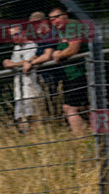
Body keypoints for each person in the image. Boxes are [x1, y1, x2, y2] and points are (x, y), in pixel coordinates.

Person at [48, 6, 89, 135]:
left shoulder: (72, 26)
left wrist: (59, 55)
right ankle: (95, 134)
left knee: (69, 108)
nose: (55, 21)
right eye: (52, 20)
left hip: (83, 72)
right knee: (87, 106)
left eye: (57, 17)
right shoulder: (62, 32)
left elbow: (73, 48)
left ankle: (81, 139)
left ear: (66, 15)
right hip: (73, 75)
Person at [3, 24, 41, 132]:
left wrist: (12, 64)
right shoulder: (16, 48)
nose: (14, 37)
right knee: (20, 117)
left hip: (30, 87)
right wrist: (8, 63)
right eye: (12, 36)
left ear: (23, 33)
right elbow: (12, 63)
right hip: (18, 89)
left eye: (16, 34)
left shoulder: (31, 45)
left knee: (31, 116)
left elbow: (27, 62)